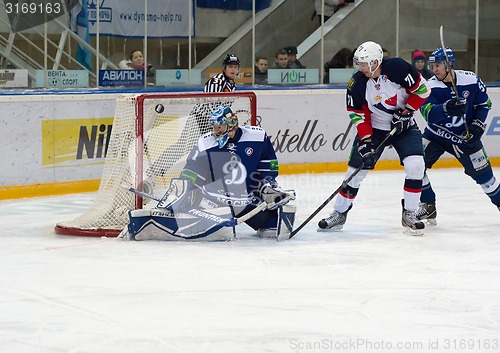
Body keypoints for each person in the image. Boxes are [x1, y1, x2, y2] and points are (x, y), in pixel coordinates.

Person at [121, 106, 296, 241]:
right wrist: (184, 187)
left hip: (245, 199)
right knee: (188, 222)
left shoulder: (257, 137)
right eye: (214, 127)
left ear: (232, 124)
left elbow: (268, 164)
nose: (215, 131)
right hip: (212, 199)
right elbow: (192, 169)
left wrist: (268, 185)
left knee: (272, 230)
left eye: (219, 127)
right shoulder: (206, 142)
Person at [317, 41, 431, 235]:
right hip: (375, 129)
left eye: (363, 64)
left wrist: (406, 112)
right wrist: (367, 141)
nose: (359, 68)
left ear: (376, 61)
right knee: (355, 173)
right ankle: (339, 213)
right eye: (358, 64)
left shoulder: (397, 68)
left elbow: (423, 91)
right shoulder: (357, 82)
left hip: (403, 126)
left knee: (416, 165)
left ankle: (410, 213)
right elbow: (357, 114)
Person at [416, 47, 499, 225]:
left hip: (465, 138)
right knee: (414, 164)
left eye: (438, 65)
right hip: (436, 135)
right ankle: (428, 204)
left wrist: (477, 124)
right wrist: (446, 108)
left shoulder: (470, 80)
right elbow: (428, 113)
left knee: (487, 179)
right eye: (433, 65)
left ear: (449, 65)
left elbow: (484, 104)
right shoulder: (429, 86)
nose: (434, 69)